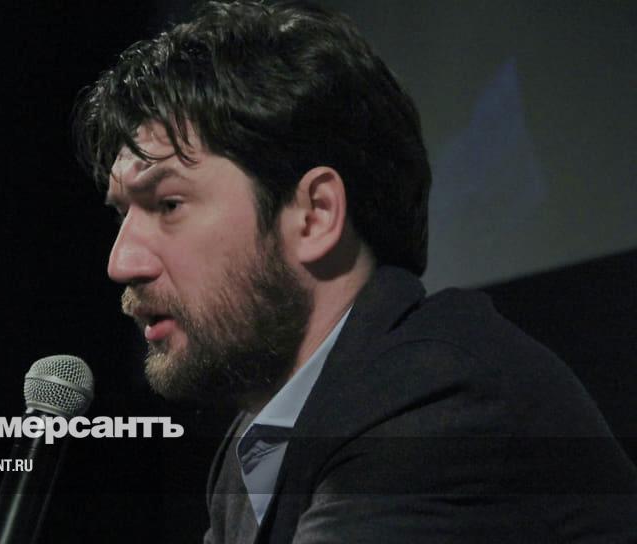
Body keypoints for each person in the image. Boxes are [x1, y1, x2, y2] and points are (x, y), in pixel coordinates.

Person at [72, 1, 637, 542]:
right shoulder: (262, 437)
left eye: (168, 205)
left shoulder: (441, 407)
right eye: (123, 214)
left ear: (315, 215)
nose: (121, 263)